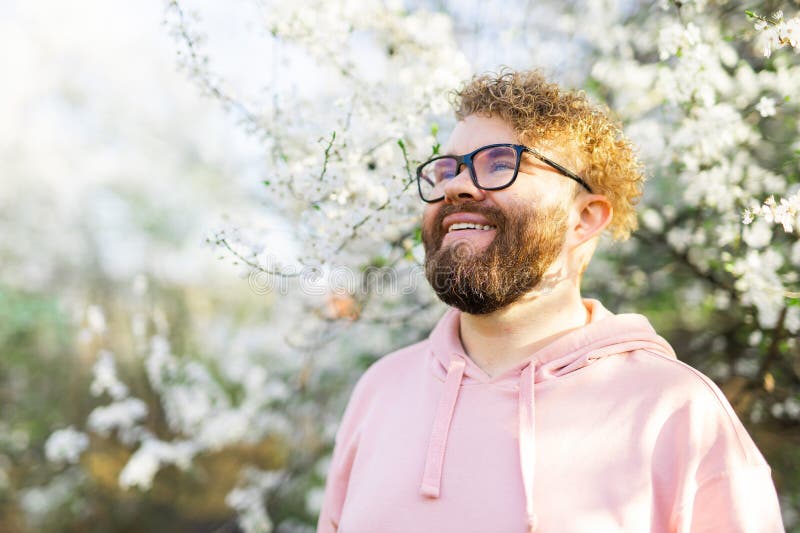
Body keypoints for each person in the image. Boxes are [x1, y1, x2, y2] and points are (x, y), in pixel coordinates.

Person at [316, 70, 785, 532]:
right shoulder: (380, 390)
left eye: (500, 163)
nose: (456, 186)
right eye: (447, 168)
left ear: (583, 219)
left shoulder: (678, 410)